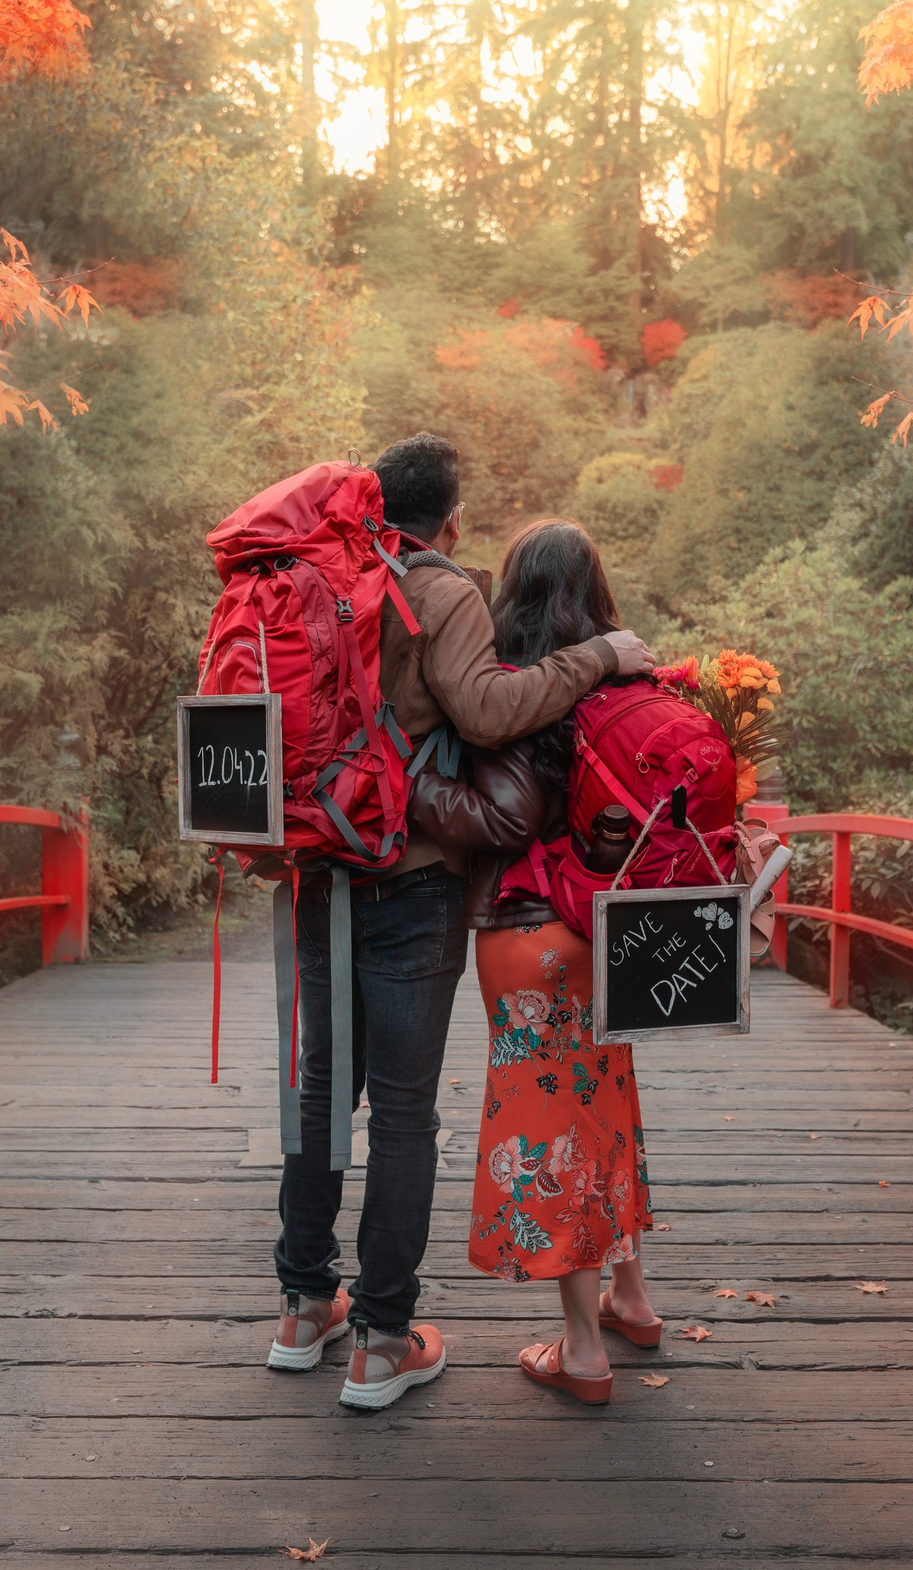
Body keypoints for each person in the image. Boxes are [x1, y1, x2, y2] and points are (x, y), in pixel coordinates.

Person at [271, 435, 654, 1411]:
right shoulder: (441, 589)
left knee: (320, 1090)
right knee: (401, 1112)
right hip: (409, 879)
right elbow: (486, 714)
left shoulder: (315, 580)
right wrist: (602, 655)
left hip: (316, 869)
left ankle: (303, 1305)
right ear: (450, 520)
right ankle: (383, 1341)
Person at [463, 519, 664, 1406]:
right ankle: (633, 1296)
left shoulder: (504, 689)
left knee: (551, 1129)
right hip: (605, 927)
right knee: (605, 1099)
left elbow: (487, 813)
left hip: (525, 927)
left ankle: (582, 1348)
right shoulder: (625, 681)